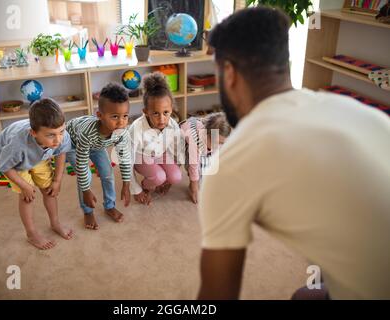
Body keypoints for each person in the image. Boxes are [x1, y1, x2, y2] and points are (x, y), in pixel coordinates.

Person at [198, 7, 390, 299]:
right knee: (307, 294)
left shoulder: (230, 165)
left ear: (229, 72)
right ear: (283, 64)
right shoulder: (350, 108)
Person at [0, 98, 73, 250]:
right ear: (33, 133)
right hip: (14, 162)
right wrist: (24, 187)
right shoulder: (17, 145)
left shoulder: (61, 135)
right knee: (27, 197)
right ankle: (31, 233)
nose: (58, 139)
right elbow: (5, 167)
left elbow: (61, 153)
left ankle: (55, 223)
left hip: (39, 154)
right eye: (51, 135)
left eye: (61, 131)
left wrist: (57, 180)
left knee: (49, 190)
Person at [66, 83, 131, 230]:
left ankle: (109, 206)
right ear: (100, 116)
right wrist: (86, 191)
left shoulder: (122, 132)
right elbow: (82, 165)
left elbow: (124, 157)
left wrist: (127, 183)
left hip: (97, 145)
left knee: (107, 173)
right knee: (86, 176)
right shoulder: (86, 134)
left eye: (125, 116)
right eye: (115, 116)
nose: (121, 122)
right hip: (73, 143)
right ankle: (87, 210)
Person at [129, 72, 183, 205]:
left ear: (171, 109)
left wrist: (168, 181)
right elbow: (126, 160)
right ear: (146, 111)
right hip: (141, 156)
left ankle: (160, 178)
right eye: (155, 113)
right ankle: (146, 184)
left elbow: (178, 150)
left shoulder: (172, 124)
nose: (162, 119)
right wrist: (136, 189)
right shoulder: (136, 128)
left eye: (166, 113)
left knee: (176, 176)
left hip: (160, 154)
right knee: (159, 177)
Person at [180, 112, 231, 203]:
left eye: (221, 143)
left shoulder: (218, 138)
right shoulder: (196, 141)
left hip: (198, 128)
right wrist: (194, 188)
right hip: (181, 142)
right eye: (215, 142)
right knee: (196, 168)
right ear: (207, 134)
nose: (217, 146)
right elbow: (193, 166)